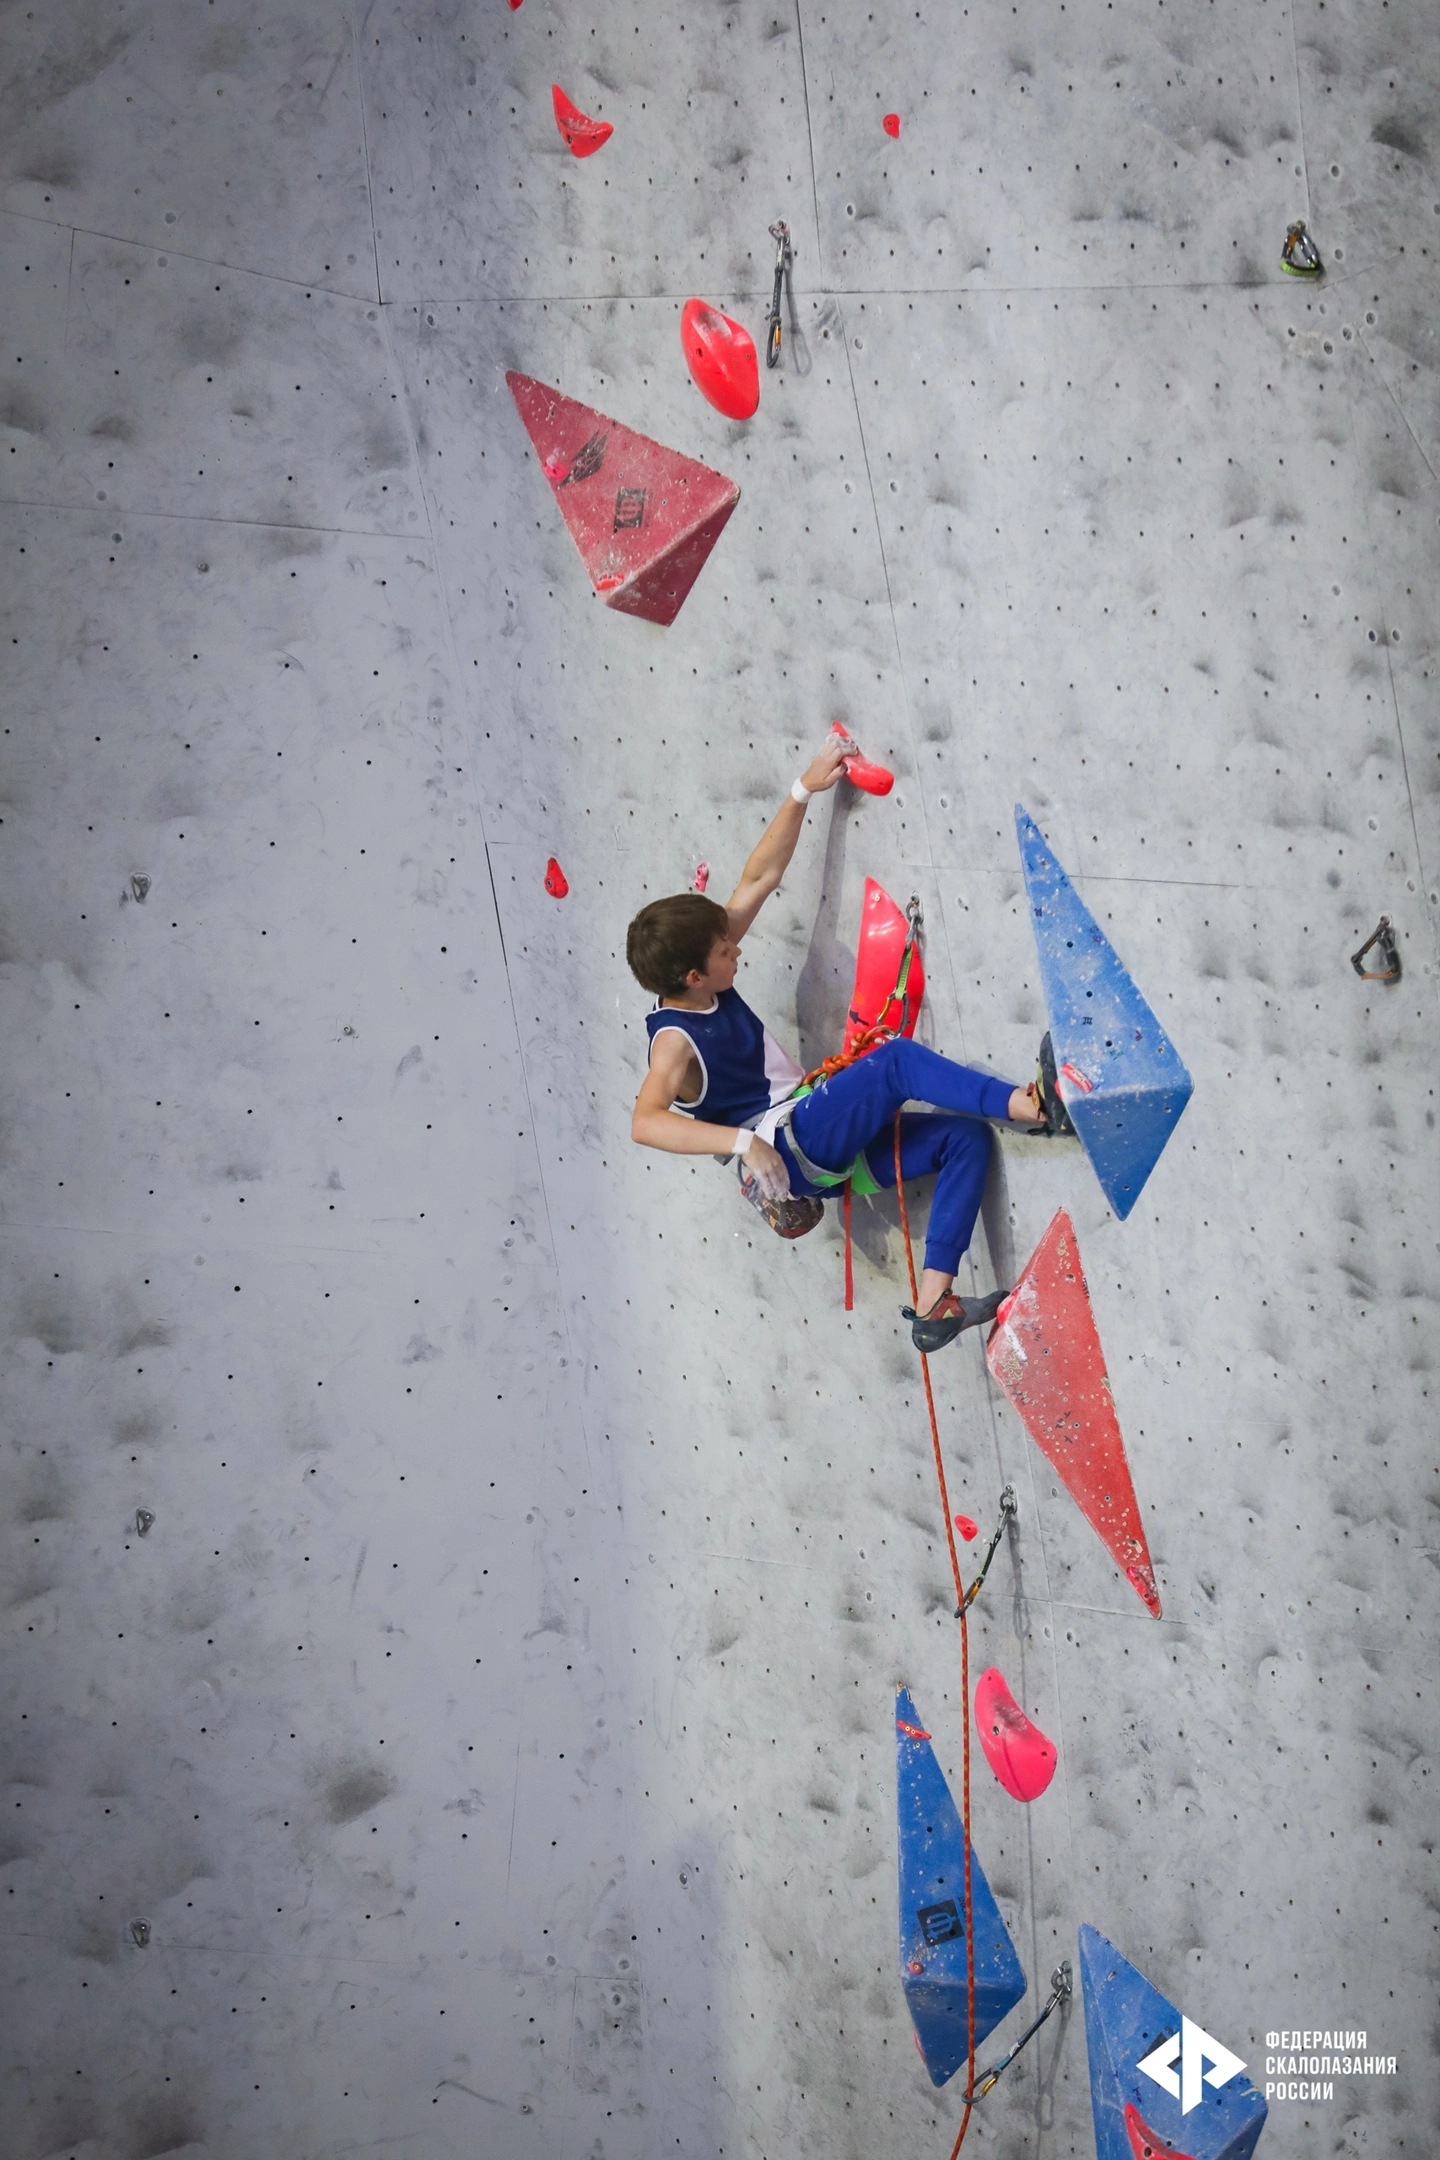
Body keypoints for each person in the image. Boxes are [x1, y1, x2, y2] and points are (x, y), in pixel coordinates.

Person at [626, 739, 1051, 1352]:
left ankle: (935, 1300)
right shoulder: (674, 1043)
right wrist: (743, 1144)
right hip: (793, 1141)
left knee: (965, 1140)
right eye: (724, 952)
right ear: (694, 977)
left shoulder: (700, 974)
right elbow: (644, 1123)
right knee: (897, 1062)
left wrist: (803, 788)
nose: (736, 948)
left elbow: (759, 877)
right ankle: (1030, 1106)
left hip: (820, 1155)